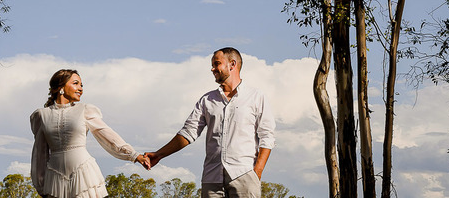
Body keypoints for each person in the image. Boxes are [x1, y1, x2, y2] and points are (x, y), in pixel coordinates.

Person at [143, 48, 274, 198]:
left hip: (244, 175)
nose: (212, 69)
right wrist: (159, 154)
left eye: (216, 64)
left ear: (232, 64)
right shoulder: (207, 100)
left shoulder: (256, 97)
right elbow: (187, 133)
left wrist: (257, 172)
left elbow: (267, 137)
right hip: (212, 179)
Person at [30, 69, 150, 198]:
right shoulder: (41, 115)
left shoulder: (85, 110)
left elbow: (107, 135)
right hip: (55, 180)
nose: (80, 88)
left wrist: (134, 155)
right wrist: (41, 185)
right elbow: (39, 154)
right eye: (75, 83)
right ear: (60, 87)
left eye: (81, 85)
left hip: (84, 176)